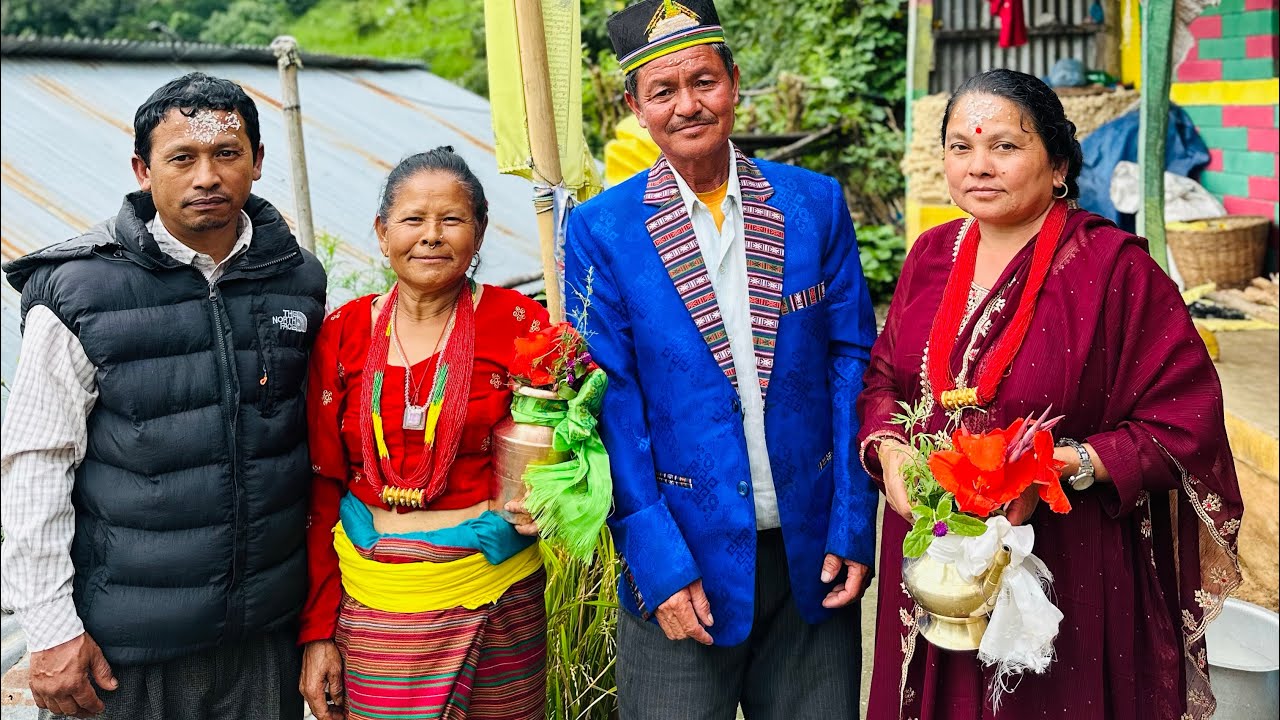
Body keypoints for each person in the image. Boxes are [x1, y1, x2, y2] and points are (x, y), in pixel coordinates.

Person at [857, 68, 1243, 720]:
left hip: (1069, 564)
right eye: (960, 147)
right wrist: (892, 453)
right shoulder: (929, 256)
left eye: (1005, 146)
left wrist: (1061, 465)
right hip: (940, 556)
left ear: (1058, 164)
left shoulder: (1115, 269)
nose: (979, 165)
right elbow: (885, 382)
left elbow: (1185, 421)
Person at [562, 1, 879, 717]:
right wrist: (656, 560)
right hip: (683, 561)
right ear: (635, 108)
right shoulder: (603, 230)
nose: (687, 105)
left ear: (734, 82)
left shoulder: (813, 205)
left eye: (703, 81)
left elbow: (851, 364)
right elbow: (613, 403)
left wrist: (853, 521)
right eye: (663, 91)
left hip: (811, 554)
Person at [1, 73, 326, 719]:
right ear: (143, 170)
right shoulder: (82, 291)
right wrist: (51, 630)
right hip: (121, 652)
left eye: (227, 153)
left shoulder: (297, 280)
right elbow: (35, 464)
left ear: (258, 161)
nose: (207, 176)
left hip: (263, 641)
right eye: (182, 157)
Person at [297, 147, 549, 720]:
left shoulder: (522, 325)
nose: (431, 235)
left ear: (479, 231)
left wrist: (554, 500)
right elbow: (320, 487)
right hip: (374, 609)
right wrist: (317, 631)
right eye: (413, 219)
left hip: (498, 596)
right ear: (382, 233)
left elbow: (563, 446)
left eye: (452, 219)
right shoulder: (343, 331)